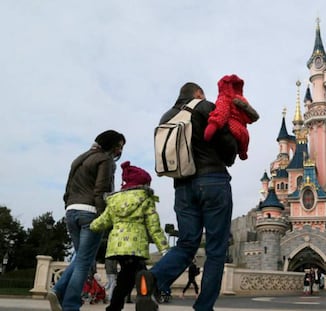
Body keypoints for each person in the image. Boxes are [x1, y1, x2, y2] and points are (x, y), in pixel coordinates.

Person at [135, 82, 239, 311]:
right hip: (212, 181)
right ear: (198, 93)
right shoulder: (204, 107)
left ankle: (153, 279)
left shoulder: (167, 117)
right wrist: (232, 151)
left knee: (186, 244)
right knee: (216, 249)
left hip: (182, 187)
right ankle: (203, 307)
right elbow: (227, 143)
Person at [47, 129, 126, 311]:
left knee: (82, 258)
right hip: (90, 212)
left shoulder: (80, 159)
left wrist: (69, 205)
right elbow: (101, 191)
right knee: (84, 262)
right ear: (111, 145)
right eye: (119, 146)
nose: (119, 151)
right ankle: (70, 305)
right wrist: (103, 217)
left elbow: (67, 189)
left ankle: (57, 290)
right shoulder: (105, 161)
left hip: (72, 211)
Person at [90, 161, 169, 311]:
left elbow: (102, 221)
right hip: (136, 247)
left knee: (132, 275)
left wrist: (91, 226)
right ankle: (139, 301)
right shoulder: (146, 198)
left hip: (117, 247)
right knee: (134, 277)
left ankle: (135, 302)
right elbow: (154, 227)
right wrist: (164, 248)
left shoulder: (114, 201)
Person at [204, 74, 259, 160]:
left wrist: (213, 125)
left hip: (231, 129)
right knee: (244, 140)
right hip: (243, 133)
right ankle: (243, 153)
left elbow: (222, 112)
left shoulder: (224, 98)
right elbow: (248, 118)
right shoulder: (242, 101)